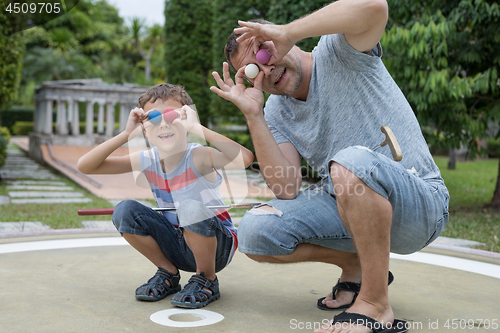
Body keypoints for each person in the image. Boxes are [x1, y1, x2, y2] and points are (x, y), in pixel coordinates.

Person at [210, 0, 449, 332]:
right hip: (352, 201)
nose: (266, 69)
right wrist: (254, 115)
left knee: (350, 161)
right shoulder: (276, 112)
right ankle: (356, 265)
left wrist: (289, 30)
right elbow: (286, 188)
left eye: (265, 53)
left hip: (421, 204)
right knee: (255, 231)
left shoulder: (338, 51)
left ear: (280, 39)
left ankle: (375, 305)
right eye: (253, 71)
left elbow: (375, 7)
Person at [77, 83, 254, 308]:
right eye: (154, 118)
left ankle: (207, 279)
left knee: (189, 207)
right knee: (125, 210)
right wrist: (125, 134)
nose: (164, 124)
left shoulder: (198, 156)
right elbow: (86, 166)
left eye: (172, 116)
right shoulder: (147, 159)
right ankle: (169, 273)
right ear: (144, 128)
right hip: (177, 243)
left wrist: (198, 128)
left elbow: (245, 159)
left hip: (217, 246)